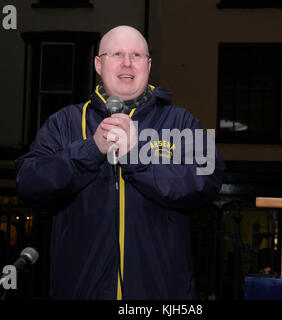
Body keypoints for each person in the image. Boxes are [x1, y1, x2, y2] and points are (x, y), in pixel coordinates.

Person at [15, 25, 225, 300]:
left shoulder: (180, 122)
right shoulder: (63, 123)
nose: (127, 63)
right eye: (117, 54)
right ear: (98, 64)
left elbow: (206, 179)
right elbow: (29, 183)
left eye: (137, 55)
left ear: (148, 65)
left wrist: (136, 155)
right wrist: (92, 149)